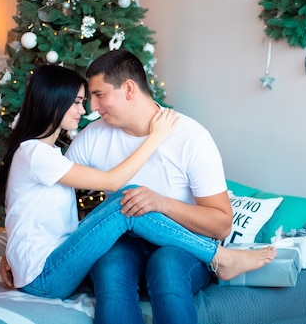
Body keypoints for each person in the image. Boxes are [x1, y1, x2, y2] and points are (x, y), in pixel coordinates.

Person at [0, 64, 275, 301]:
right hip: (46, 275)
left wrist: (15, 253)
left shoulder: (45, 155)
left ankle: (219, 257)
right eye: (78, 101)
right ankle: (221, 258)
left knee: (131, 201)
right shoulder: (35, 154)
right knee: (129, 197)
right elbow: (113, 181)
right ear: (53, 102)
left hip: (46, 267)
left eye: (90, 98)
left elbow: (23, 213)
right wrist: (156, 137)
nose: (85, 110)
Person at [67, 49, 236, 324]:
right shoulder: (92, 138)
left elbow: (221, 224)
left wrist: (162, 204)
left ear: (129, 89)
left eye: (99, 95)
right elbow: (53, 193)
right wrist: (23, 249)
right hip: (125, 245)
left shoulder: (192, 138)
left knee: (167, 266)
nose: (92, 107)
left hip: (180, 247)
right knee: (110, 268)